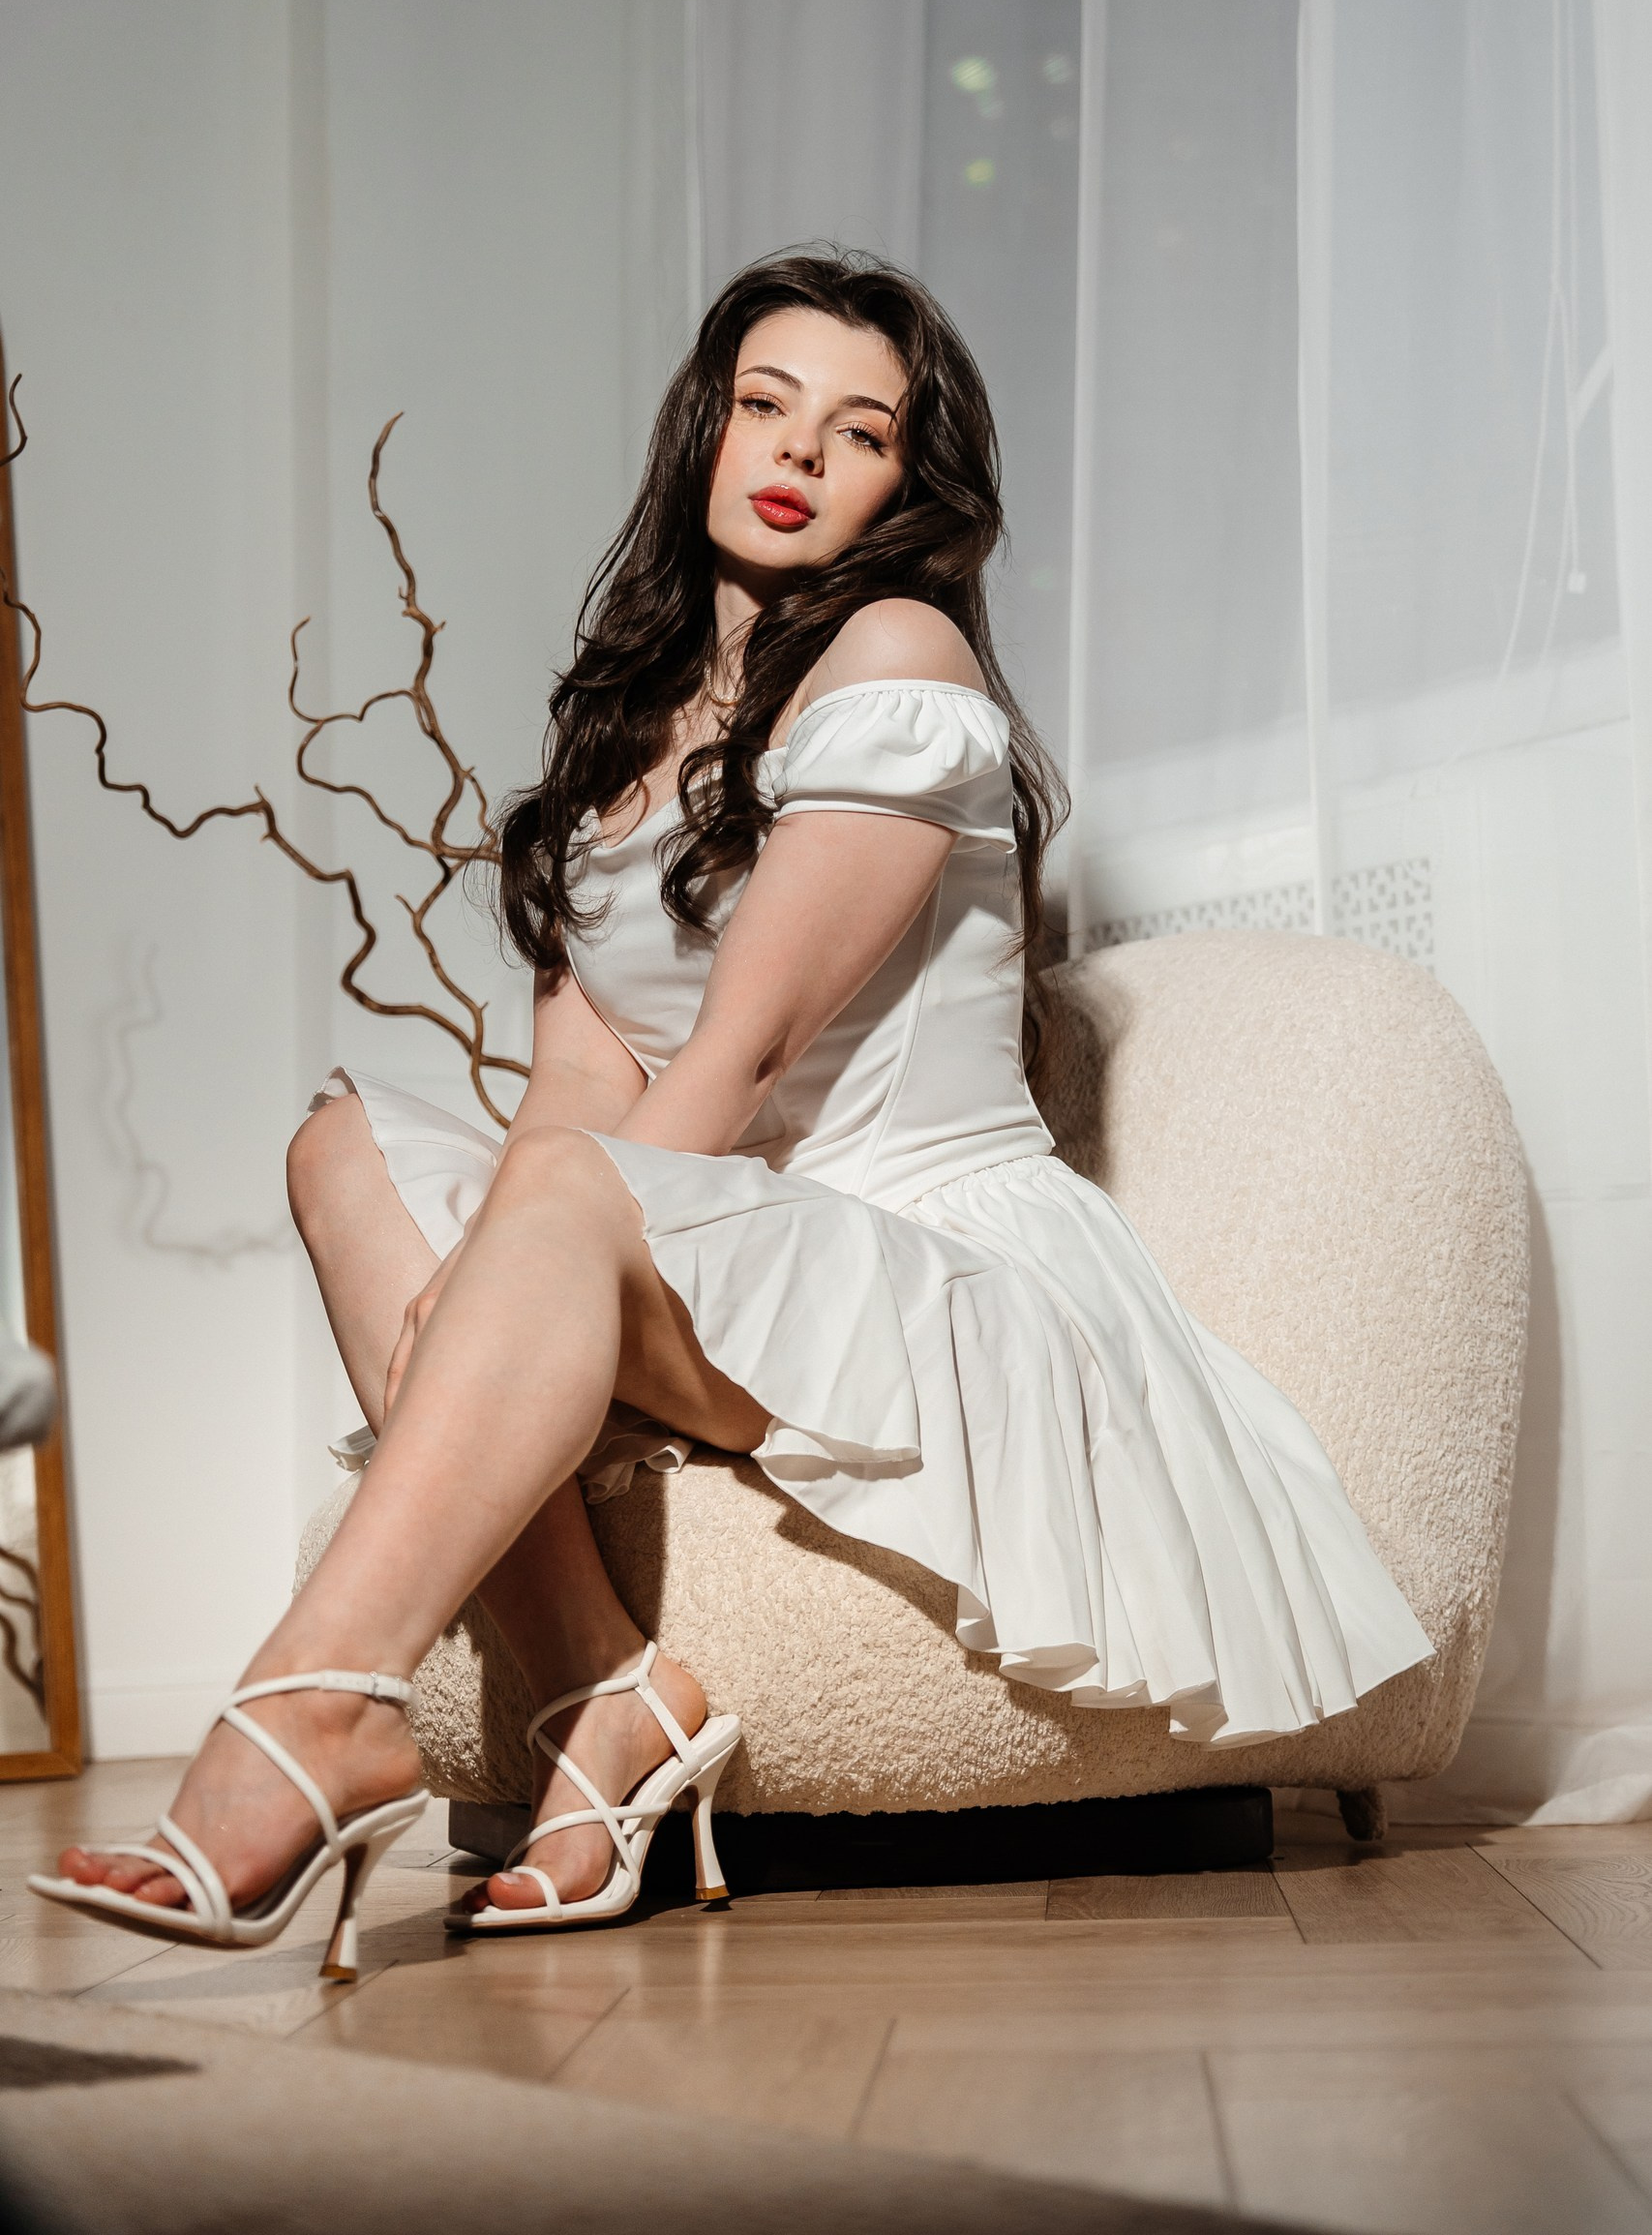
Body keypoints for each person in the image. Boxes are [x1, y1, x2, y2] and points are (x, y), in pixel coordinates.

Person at [33, 253, 1430, 1960]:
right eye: (765, 404)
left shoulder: (902, 658)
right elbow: (576, 1084)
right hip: (712, 1235)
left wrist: (509, 1271)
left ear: (908, 487)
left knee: (552, 1207)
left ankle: (316, 1709)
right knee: (347, 1144)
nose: (798, 451)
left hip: (921, 1263)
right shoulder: (625, 726)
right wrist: (490, 1280)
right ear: (703, 426)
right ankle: (606, 1698)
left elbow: (746, 1056)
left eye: (861, 431)